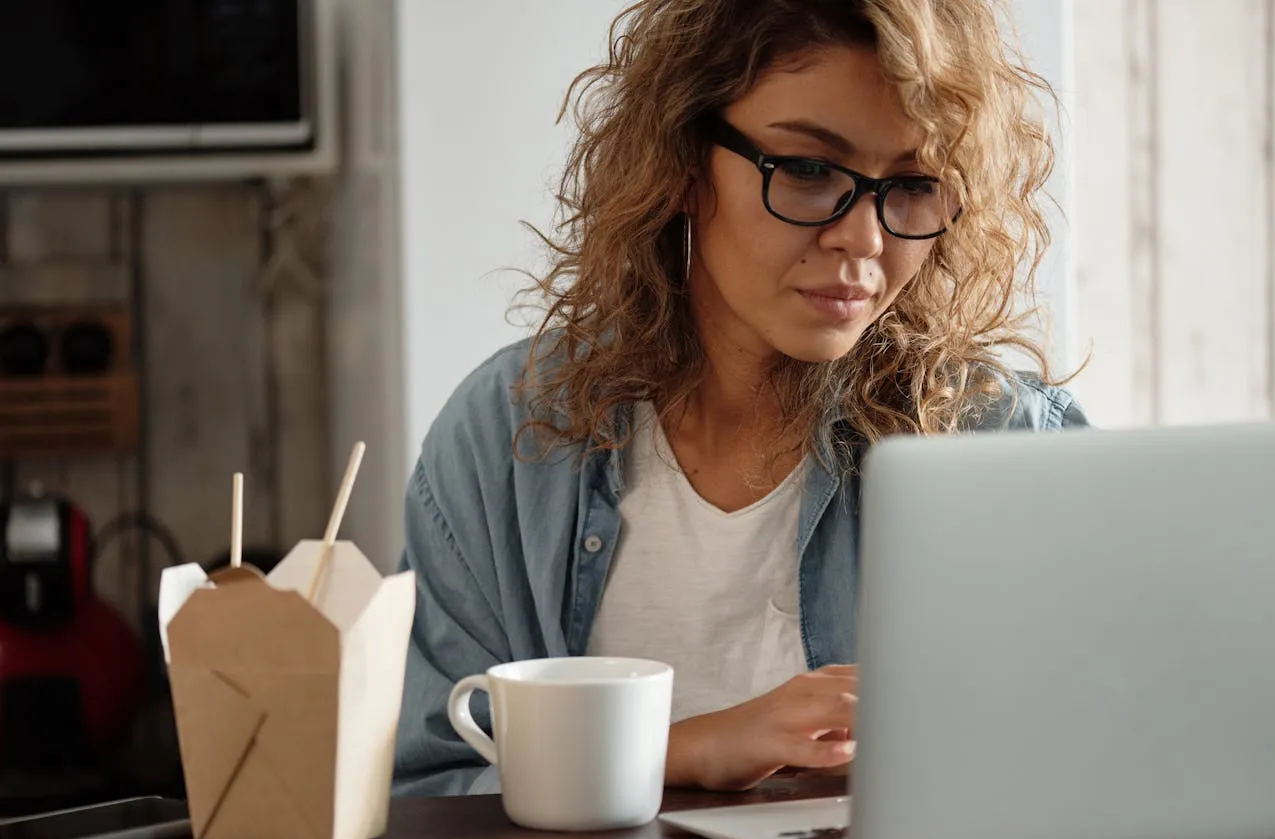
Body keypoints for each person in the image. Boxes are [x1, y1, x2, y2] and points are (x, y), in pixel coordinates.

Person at [392, 0, 1088, 798]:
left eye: (914, 184)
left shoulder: (1001, 441)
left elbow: (1087, 769)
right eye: (807, 170)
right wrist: (684, 750)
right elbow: (429, 786)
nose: (863, 239)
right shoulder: (511, 433)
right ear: (684, 164)